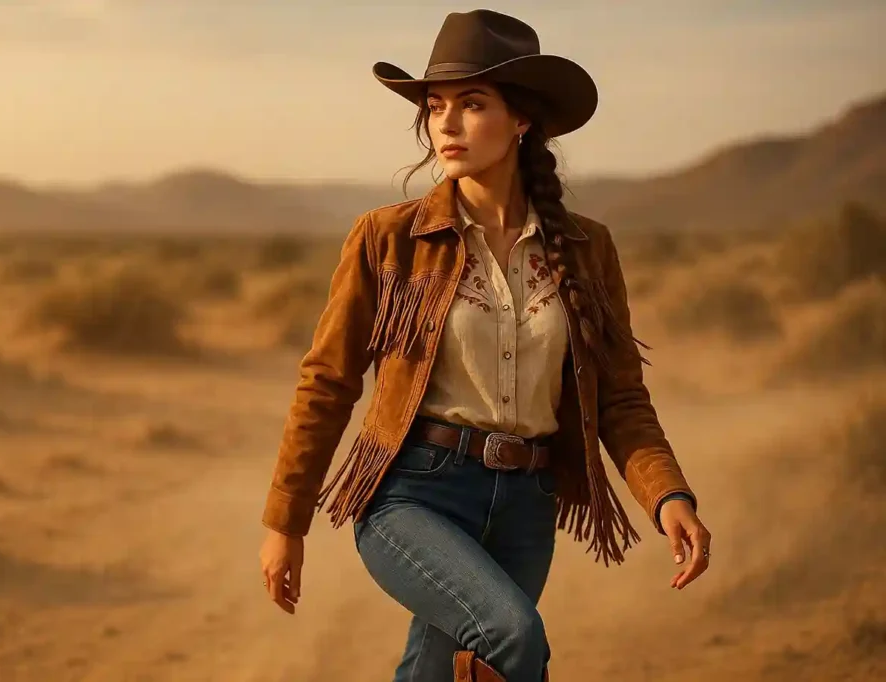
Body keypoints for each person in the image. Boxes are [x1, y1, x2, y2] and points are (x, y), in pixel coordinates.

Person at [258, 9, 711, 682]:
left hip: (527, 504)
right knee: (513, 637)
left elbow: (619, 397)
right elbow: (327, 380)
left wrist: (668, 496)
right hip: (413, 495)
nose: (446, 122)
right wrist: (284, 520)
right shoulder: (389, 238)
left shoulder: (586, 249)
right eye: (436, 106)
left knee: (438, 672)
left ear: (521, 119)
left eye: (472, 104)